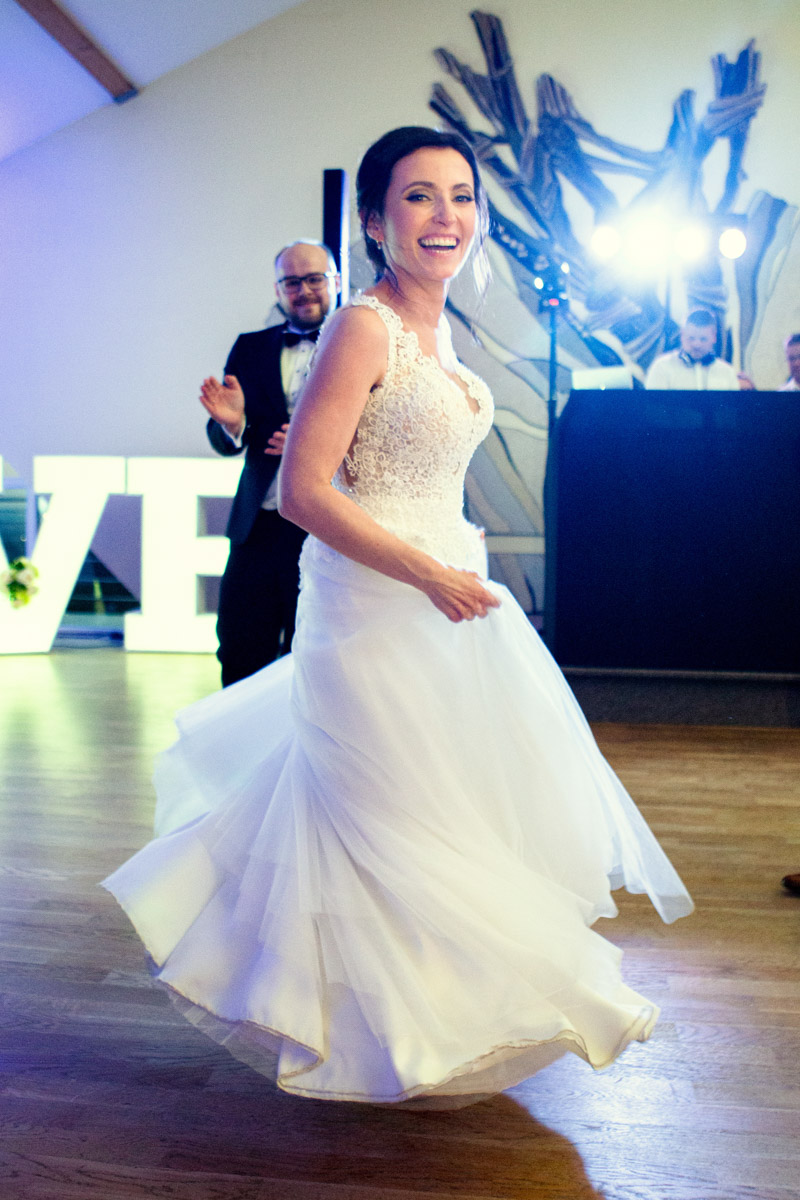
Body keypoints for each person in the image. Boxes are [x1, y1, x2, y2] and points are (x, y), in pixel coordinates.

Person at [103, 126, 693, 1107]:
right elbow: (303, 492)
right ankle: (376, 1030)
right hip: (377, 602)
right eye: (419, 196)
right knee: (383, 809)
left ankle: (433, 1017)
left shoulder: (442, 332)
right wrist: (426, 570)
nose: (445, 215)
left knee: (446, 803)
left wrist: (452, 551)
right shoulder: (362, 326)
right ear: (375, 222)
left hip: (449, 595)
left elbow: (418, 468)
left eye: (461, 195)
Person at [201, 240, 340, 686]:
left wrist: (312, 442)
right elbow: (225, 437)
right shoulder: (250, 348)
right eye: (291, 282)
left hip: (328, 529)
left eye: (314, 279)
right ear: (278, 290)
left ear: (336, 281)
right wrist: (233, 424)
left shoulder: (360, 344)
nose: (304, 290)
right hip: (256, 528)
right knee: (239, 648)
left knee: (316, 660)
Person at [645, 310, 746, 390]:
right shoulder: (662, 367)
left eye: (703, 339)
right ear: (682, 335)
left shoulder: (727, 372)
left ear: (714, 337)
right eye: (691, 338)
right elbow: (652, 406)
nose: (697, 344)